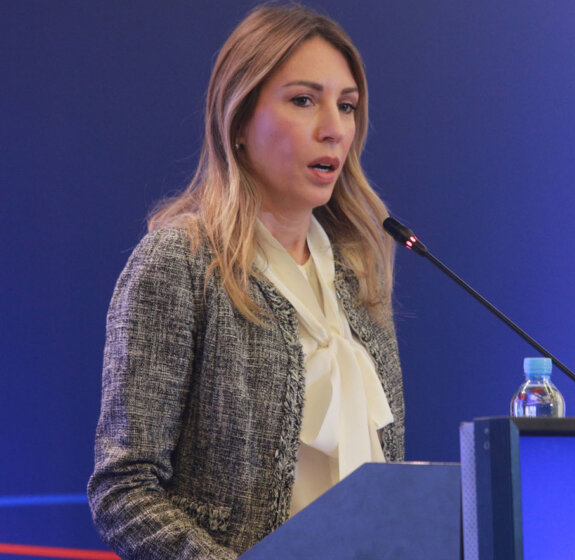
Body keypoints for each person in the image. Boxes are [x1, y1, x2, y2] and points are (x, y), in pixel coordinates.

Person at [87, 5, 404, 559]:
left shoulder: (357, 275)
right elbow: (124, 489)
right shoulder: (180, 263)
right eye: (303, 100)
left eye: (347, 105)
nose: (334, 129)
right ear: (238, 120)